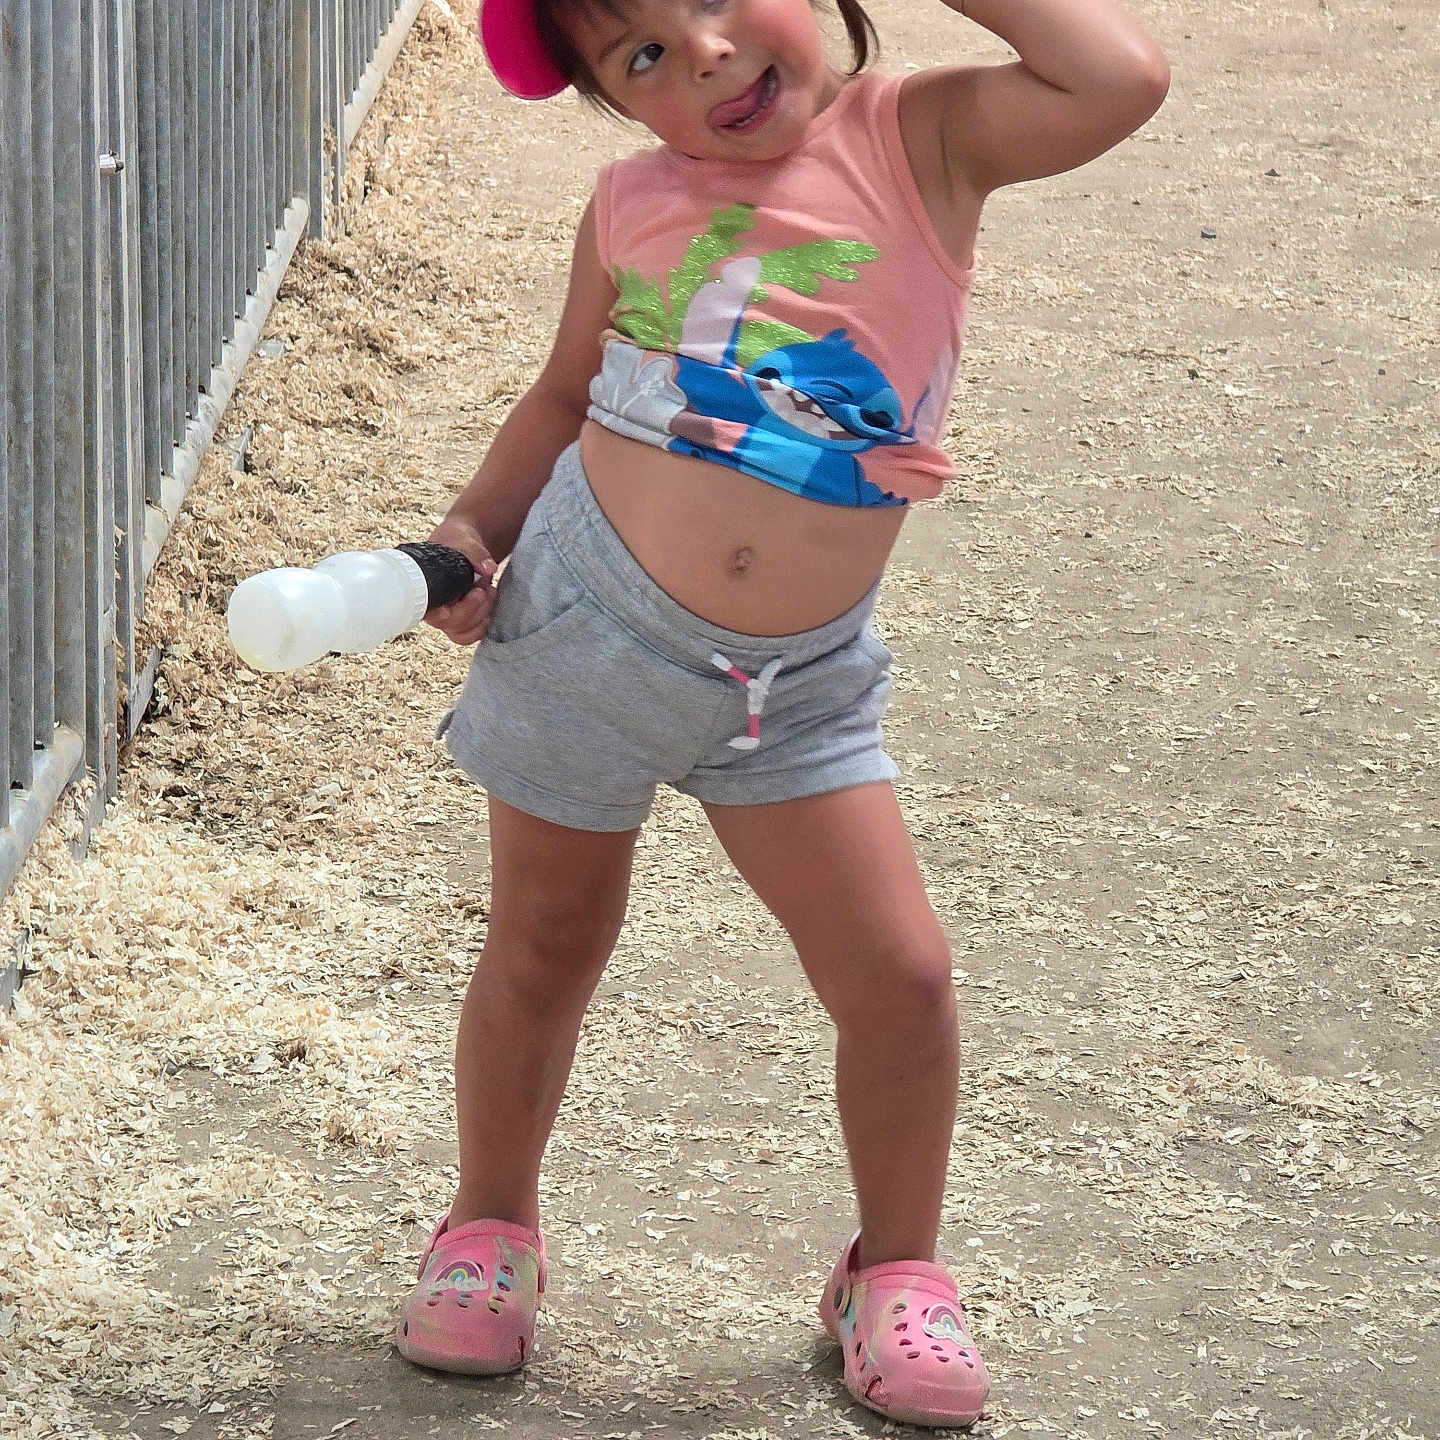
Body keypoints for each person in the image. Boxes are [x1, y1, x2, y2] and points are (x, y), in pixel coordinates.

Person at [394, 0, 1168, 1425]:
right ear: (620, 106)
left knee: (903, 977)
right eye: (638, 55)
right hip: (582, 634)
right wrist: (469, 533)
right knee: (544, 946)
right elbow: (563, 395)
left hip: (797, 686)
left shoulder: (925, 140)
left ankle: (897, 1271)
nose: (697, 51)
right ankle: (489, 1228)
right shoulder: (629, 203)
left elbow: (1119, 75)